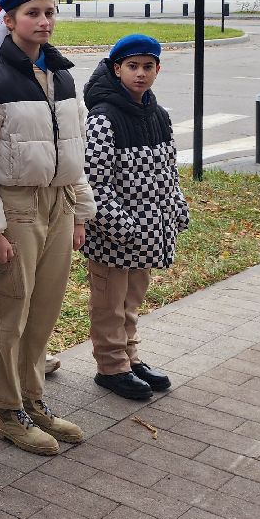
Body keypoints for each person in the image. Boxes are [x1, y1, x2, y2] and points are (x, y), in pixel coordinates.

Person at [0, 0, 96, 457]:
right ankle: (4, 408)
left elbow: (74, 150)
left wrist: (80, 211)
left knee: (44, 309)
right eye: (32, 13)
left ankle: (32, 397)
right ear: (8, 20)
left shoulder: (63, 77)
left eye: (49, 12)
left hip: (57, 203)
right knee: (9, 309)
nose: (43, 21)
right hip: (15, 206)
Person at [82, 34, 187, 401]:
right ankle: (111, 366)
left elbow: (168, 171)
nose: (140, 74)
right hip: (116, 234)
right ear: (117, 69)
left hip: (148, 231)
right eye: (132, 67)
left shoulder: (158, 115)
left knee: (131, 299)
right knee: (109, 302)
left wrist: (176, 206)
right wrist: (119, 225)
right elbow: (94, 181)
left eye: (147, 67)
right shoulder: (103, 118)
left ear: (158, 69)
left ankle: (129, 356)